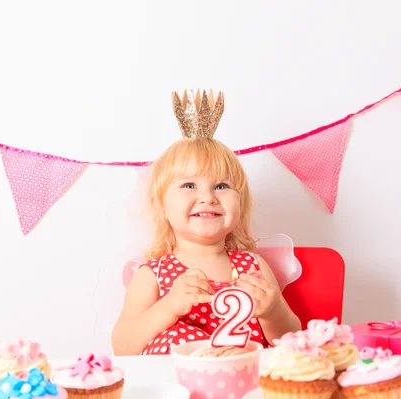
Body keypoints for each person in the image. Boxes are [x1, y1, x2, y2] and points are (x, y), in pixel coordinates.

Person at [111, 111, 301, 355]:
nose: (208, 198)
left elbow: (291, 343)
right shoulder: (153, 274)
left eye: (221, 186)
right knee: (175, 336)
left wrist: (273, 311)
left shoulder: (253, 267)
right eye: (189, 185)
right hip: (183, 388)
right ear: (162, 206)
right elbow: (123, 347)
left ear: (240, 203)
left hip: (242, 384)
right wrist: (169, 307)